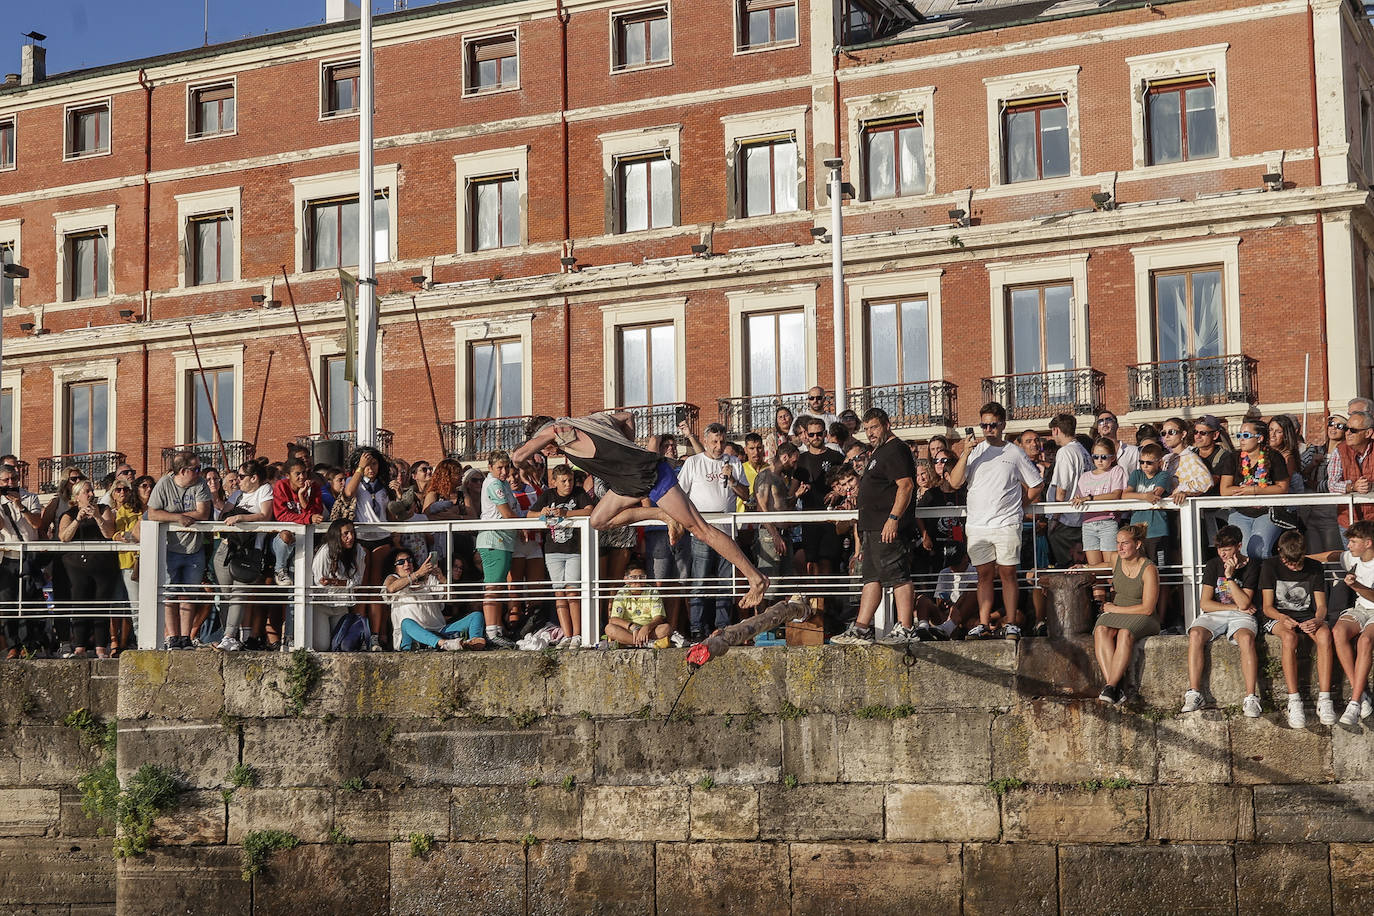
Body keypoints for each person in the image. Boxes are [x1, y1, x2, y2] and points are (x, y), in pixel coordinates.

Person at [513, 412, 770, 608]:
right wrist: (625, 446)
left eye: (543, 445)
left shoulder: (558, 430)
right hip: (627, 482)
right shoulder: (589, 421)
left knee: (700, 529)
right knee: (598, 520)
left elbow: (517, 457)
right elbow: (627, 416)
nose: (546, 451)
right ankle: (661, 514)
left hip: (650, 475)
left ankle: (755, 578)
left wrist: (531, 456)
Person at [946, 401, 1043, 640]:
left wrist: (1020, 506)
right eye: (984, 425)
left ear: (1002, 425)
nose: (988, 429)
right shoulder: (974, 451)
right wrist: (966, 451)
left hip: (1007, 523)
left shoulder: (1014, 452)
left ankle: (1011, 622)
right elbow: (955, 483)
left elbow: (1036, 484)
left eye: (993, 425)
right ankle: (982, 622)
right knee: (984, 575)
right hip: (978, 525)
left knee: (1009, 572)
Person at [831, 408, 919, 645]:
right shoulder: (878, 452)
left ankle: (906, 627)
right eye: (867, 428)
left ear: (887, 425)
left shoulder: (895, 449)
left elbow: (906, 486)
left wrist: (893, 518)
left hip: (887, 527)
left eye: (875, 427)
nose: (870, 433)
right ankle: (861, 628)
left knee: (898, 576)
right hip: (871, 529)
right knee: (871, 579)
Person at [1180, 525, 1263, 718]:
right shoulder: (1212, 565)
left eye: (1227, 549)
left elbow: (1245, 601)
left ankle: (1251, 697)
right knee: (1195, 633)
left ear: (1239, 546)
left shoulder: (1253, 566)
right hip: (1220, 612)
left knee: (1246, 639)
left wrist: (1230, 577)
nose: (1223, 554)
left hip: (1242, 615)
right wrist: (1235, 607)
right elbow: (1206, 603)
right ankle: (1194, 693)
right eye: (1220, 549)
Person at [677, 423, 749, 639]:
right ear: (706, 441)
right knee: (699, 580)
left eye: (722, 442)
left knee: (726, 581)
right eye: (714, 442)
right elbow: (680, 494)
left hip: (727, 531)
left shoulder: (734, 462)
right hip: (701, 530)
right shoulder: (693, 463)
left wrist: (733, 479)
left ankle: (723, 627)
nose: (718, 447)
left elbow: (745, 495)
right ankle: (697, 627)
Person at [1260, 530, 1336, 727]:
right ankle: (1294, 700)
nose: (1293, 567)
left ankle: (1325, 699)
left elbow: (1321, 606)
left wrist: (1318, 620)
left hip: (1307, 616)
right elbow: (1267, 607)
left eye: (1297, 562)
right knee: (1289, 638)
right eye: (1288, 563)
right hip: (1279, 615)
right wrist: (1282, 618)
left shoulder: (1315, 567)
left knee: (1325, 635)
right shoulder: (1270, 565)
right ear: (1280, 553)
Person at [145, 452, 212, 650]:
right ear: (183, 471)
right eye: (196, 469)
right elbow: (152, 513)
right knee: (169, 594)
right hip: (169, 548)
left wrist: (174, 515)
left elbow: (203, 513)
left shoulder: (200, 485)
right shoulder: (164, 484)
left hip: (194, 548)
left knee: (189, 593)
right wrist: (177, 518)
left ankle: (185, 637)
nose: (200, 473)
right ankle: (172, 637)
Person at [1090, 524, 1160, 705]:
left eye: (1125, 543)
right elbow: (1102, 566)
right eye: (1117, 543)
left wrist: (1114, 609)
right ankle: (1113, 687)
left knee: (1124, 633)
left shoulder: (1149, 569)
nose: (1120, 548)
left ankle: (1112, 685)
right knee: (1101, 630)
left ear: (1137, 544)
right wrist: (1080, 566)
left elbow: (1148, 608)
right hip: (1117, 610)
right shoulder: (1116, 558)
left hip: (1143, 615)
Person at [1314, 520, 1374, 728]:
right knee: (1338, 631)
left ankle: (1355, 701)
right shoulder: (1352, 557)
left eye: (1353, 542)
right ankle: (1363, 694)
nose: (1349, 545)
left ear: (1368, 543)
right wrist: (1305, 558)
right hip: (1360, 609)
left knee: (1365, 641)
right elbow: (1332, 555)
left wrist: (1356, 585)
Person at [213, 460, 274, 652]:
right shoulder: (237, 494)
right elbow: (223, 514)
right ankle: (227, 635)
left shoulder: (264, 490)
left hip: (249, 551)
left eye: (241, 477)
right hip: (226, 548)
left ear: (253, 478)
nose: (237, 481)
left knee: (238, 595)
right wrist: (235, 510)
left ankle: (230, 637)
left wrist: (241, 516)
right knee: (224, 596)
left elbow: (265, 514)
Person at [532, 464, 592, 649]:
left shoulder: (579, 493)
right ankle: (566, 634)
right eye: (564, 481)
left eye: (570, 480)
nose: (568, 484)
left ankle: (577, 634)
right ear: (554, 482)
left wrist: (567, 513)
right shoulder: (548, 496)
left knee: (572, 591)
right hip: (553, 550)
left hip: (574, 550)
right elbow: (530, 513)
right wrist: (541, 513)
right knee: (559, 592)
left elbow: (589, 510)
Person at [57, 480, 118, 658]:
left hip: (102, 565)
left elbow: (109, 533)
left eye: (91, 491)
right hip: (77, 568)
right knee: (79, 604)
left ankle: (101, 648)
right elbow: (64, 537)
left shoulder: (104, 509)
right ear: (77, 497)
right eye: (86, 492)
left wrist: (97, 516)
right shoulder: (69, 514)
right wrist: (78, 519)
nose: (91, 494)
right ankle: (80, 647)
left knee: (101, 605)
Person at [342, 447, 394, 650]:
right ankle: (359, 633)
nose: (370, 469)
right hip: (361, 537)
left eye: (373, 464)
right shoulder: (354, 481)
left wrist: (397, 495)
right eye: (366, 464)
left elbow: (393, 515)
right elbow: (348, 493)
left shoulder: (384, 487)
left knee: (376, 588)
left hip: (382, 537)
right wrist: (359, 469)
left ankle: (376, 634)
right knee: (361, 587)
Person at [385, 549, 484, 650]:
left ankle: (473, 642)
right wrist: (418, 573)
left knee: (476, 616)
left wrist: (442, 579)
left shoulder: (427, 579)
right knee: (406, 623)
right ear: (394, 568)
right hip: (413, 636)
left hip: (439, 631)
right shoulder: (393, 578)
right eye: (401, 562)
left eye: (409, 560)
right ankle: (444, 644)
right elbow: (391, 588)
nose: (406, 564)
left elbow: (453, 600)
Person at [1221, 418, 1290, 560]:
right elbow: (1225, 490)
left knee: (1258, 550)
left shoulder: (1274, 457)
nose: (1241, 439)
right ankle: (1248, 581)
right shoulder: (1232, 457)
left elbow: (1282, 488)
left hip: (1268, 511)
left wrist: (1254, 490)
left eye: (1246, 435)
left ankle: (1264, 581)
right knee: (1243, 551)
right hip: (1240, 511)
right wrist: (1245, 490)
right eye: (1239, 435)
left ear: (1260, 438)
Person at [474, 450, 521, 648]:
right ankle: (492, 632)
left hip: (504, 540)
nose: (503, 471)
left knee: (498, 585)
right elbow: (506, 513)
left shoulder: (502, 484)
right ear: (490, 468)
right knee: (493, 586)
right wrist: (527, 523)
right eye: (499, 467)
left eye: (506, 467)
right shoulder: (493, 484)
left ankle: (497, 628)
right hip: (494, 540)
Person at [1071, 437, 1128, 575]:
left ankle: (1114, 595)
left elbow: (1116, 495)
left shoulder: (1116, 471)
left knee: (1111, 567)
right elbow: (1078, 498)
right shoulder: (1084, 476)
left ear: (1113, 457)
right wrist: (1079, 499)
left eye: (1104, 456)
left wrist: (1090, 498)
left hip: (1108, 522)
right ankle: (1098, 597)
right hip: (1088, 524)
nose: (1099, 460)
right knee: (1095, 571)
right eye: (1095, 456)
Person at [311, 519, 369, 649]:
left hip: (342, 604)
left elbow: (358, 582)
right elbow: (319, 581)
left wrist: (336, 582)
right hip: (321, 604)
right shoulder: (325, 551)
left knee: (340, 645)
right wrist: (343, 583)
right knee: (321, 645)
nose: (351, 537)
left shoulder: (358, 550)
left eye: (352, 533)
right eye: (346, 534)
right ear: (337, 535)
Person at [1046, 414, 1090, 568]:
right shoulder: (1083, 450)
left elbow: (1061, 488)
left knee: (1067, 566)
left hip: (1066, 519)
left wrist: (1055, 519)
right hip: (1080, 515)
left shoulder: (1065, 452)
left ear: (1056, 430)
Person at [604, 562, 680, 647]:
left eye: (642, 577)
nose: (638, 580)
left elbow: (658, 618)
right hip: (628, 630)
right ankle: (646, 644)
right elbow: (614, 619)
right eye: (634, 577)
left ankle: (631, 642)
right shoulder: (621, 593)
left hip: (648, 631)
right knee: (609, 628)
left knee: (666, 628)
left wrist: (647, 627)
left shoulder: (653, 592)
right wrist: (632, 627)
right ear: (626, 580)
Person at [106, 475, 142, 655]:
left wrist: (123, 535)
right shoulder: (114, 511)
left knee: (135, 604)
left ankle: (135, 640)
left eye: (126, 489)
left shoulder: (138, 509)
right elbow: (114, 533)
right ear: (112, 494)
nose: (122, 493)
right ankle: (117, 643)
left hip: (134, 561)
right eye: (118, 490)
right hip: (118, 562)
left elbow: (128, 534)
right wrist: (120, 536)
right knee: (119, 604)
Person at [1300, 415, 1346, 552]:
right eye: (1331, 423)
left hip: (1331, 511)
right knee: (1313, 555)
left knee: (1333, 553)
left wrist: (1314, 484)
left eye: (1340, 426)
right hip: (1308, 512)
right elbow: (1298, 474)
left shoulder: (1346, 454)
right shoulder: (1314, 449)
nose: (1333, 428)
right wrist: (1312, 465)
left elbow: (1340, 482)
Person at [1327, 411, 1374, 530]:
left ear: (1368, 433)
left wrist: (1371, 486)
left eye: (1353, 430)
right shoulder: (1339, 451)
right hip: (1348, 521)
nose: (1347, 433)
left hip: (1372, 520)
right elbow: (1331, 485)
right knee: (1351, 549)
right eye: (1346, 428)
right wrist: (1353, 487)